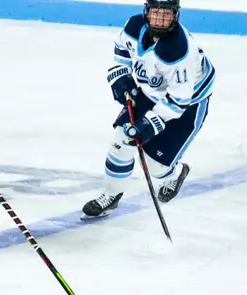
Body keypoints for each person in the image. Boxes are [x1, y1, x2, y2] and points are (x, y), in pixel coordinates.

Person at [82, 0, 215, 219]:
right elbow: (122, 49)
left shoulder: (178, 51)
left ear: (176, 16)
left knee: (156, 166)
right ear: (146, 12)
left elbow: (179, 100)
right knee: (121, 140)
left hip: (188, 103)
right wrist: (121, 76)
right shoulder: (134, 26)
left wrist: (150, 122)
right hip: (151, 91)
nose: (160, 19)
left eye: (166, 14)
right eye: (156, 13)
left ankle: (174, 173)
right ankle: (110, 195)